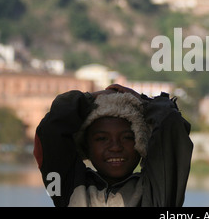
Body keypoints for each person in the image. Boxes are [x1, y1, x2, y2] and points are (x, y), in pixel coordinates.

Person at [33, 83, 193, 207]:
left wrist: (143, 102)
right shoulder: (65, 188)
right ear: (86, 146)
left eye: (127, 138)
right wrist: (90, 98)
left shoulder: (157, 194)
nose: (115, 147)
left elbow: (171, 125)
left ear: (141, 144)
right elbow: (50, 131)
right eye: (102, 138)